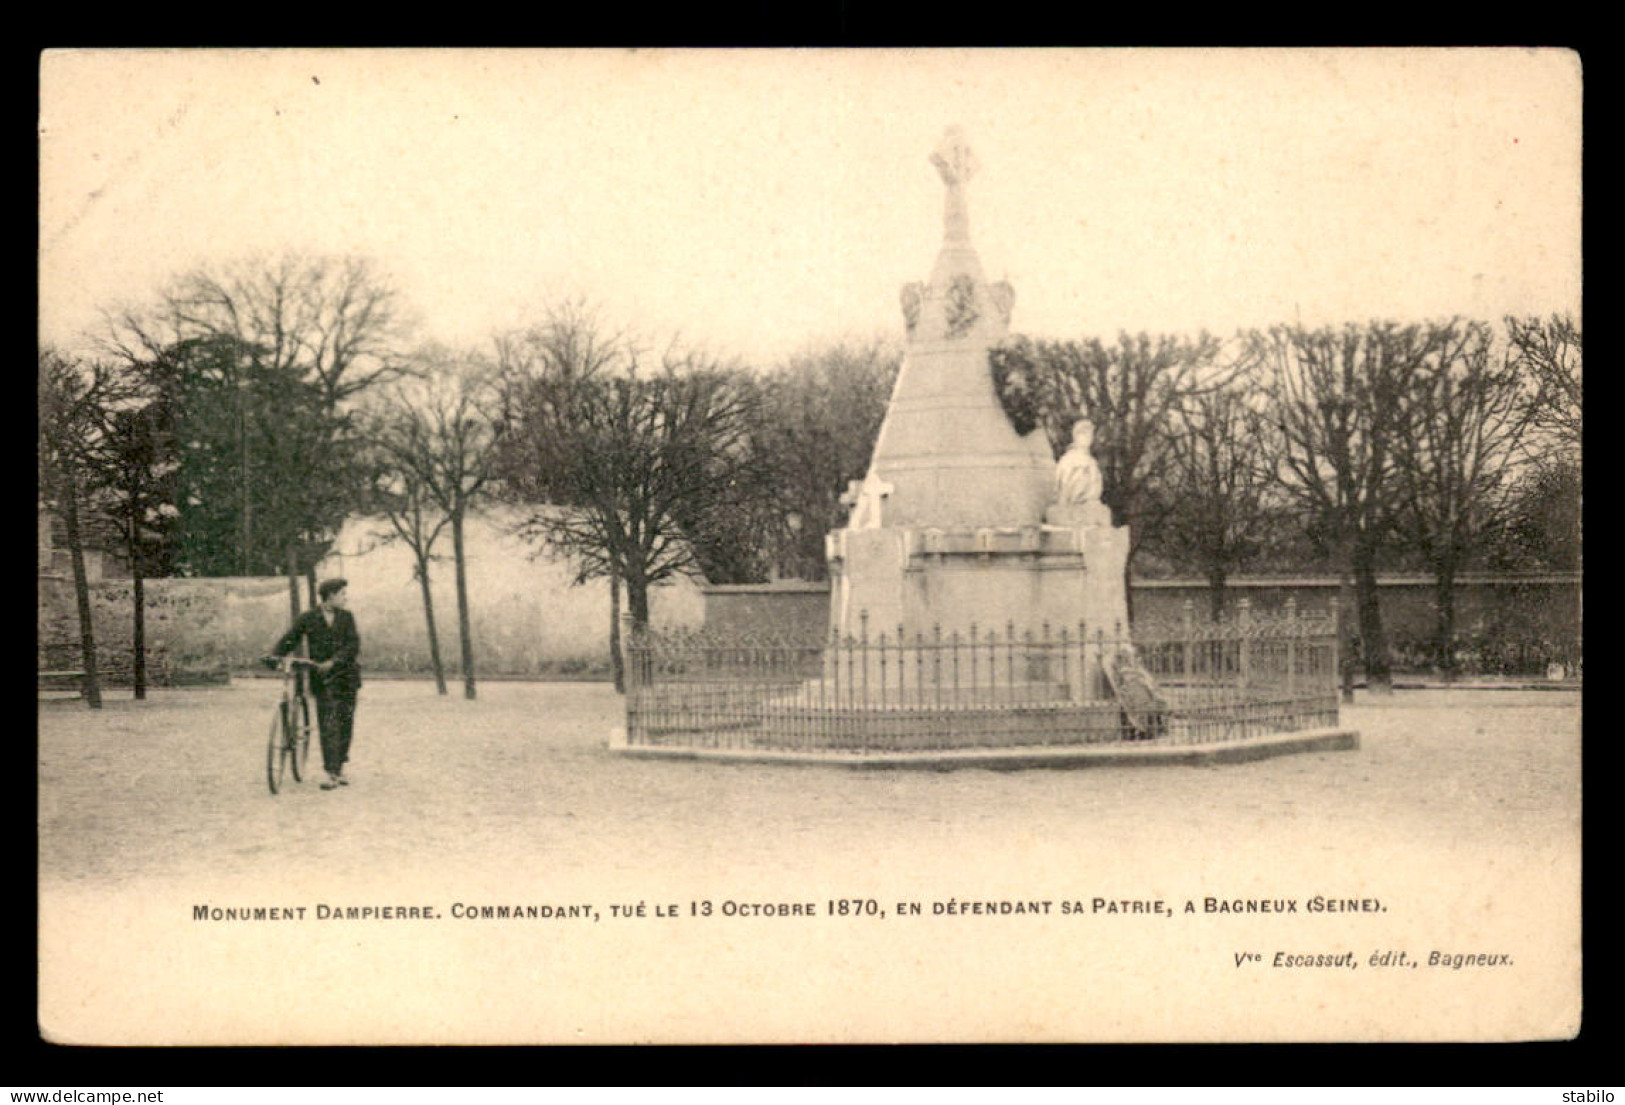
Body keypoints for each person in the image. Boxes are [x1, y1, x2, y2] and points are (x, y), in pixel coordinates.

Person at [271, 578, 362, 791]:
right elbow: (291, 638)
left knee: (345, 723)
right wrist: (275, 654)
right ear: (330, 595)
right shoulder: (309, 618)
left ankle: (339, 767)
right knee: (327, 723)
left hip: (346, 677)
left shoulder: (347, 618)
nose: (345, 598)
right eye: (342, 594)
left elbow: (353, 645)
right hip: (323, 679)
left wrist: (334, 662)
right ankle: (331, 772)